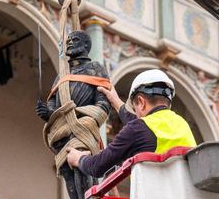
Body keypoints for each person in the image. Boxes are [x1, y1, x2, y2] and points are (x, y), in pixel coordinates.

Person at [36, 30, 111, 199]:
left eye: (74, 40)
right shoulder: (63, 75)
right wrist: (47, 112)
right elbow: (54, 102)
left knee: (81, 165)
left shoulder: (96, 69)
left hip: (83, 125)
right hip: (63, 128)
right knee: (67, 169)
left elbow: (103, 103)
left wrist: (82, 116)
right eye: (68, 41)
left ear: (86, 45)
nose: (69, 44)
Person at [66, 69, 197, 177]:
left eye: (135, 108)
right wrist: (116, 101)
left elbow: (97, 167)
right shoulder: (182, 124)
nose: (137, 114)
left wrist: (78, 159)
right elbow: (143, 127)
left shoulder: (138, 129)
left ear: (141, 101)